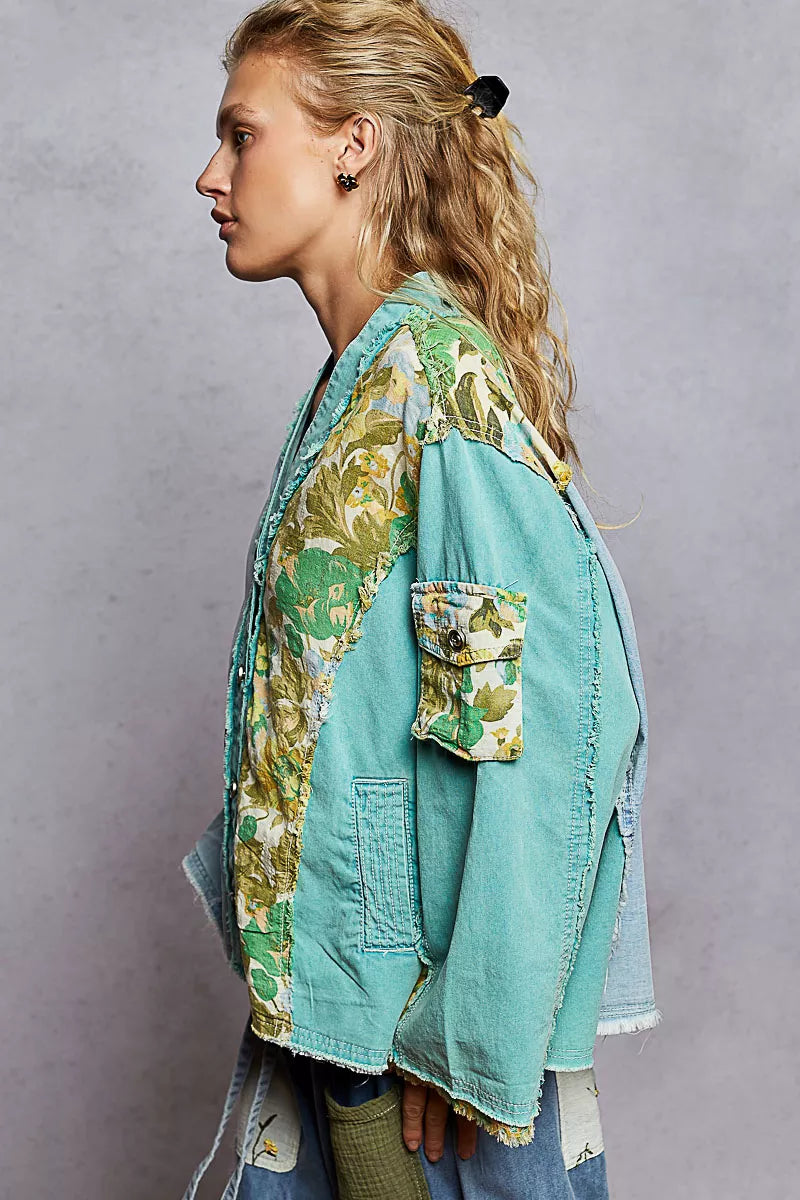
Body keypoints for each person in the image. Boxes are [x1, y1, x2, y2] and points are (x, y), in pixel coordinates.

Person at [185, 2, 660, 1197]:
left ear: (353, 145)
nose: (210, 175)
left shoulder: (438, 384)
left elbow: (546, 726)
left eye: (242, 134)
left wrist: (471, 1030)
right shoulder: (365, 381)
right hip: (340, 1023)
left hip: (425, 1071)